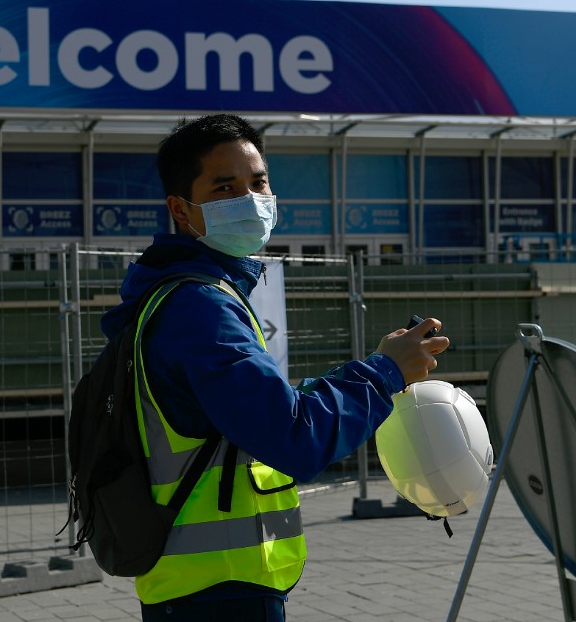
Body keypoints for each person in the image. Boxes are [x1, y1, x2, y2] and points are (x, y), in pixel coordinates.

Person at [99, 113, 449, 621]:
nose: (250, 199)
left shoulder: (189, 296)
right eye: (224, 187)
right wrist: (383, 373)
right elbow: (293, 438)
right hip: (219, 592)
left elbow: (250, 417)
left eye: (258, 181)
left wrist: (367, 370)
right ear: (181, 210)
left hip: (202, 585)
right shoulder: (200, 308)